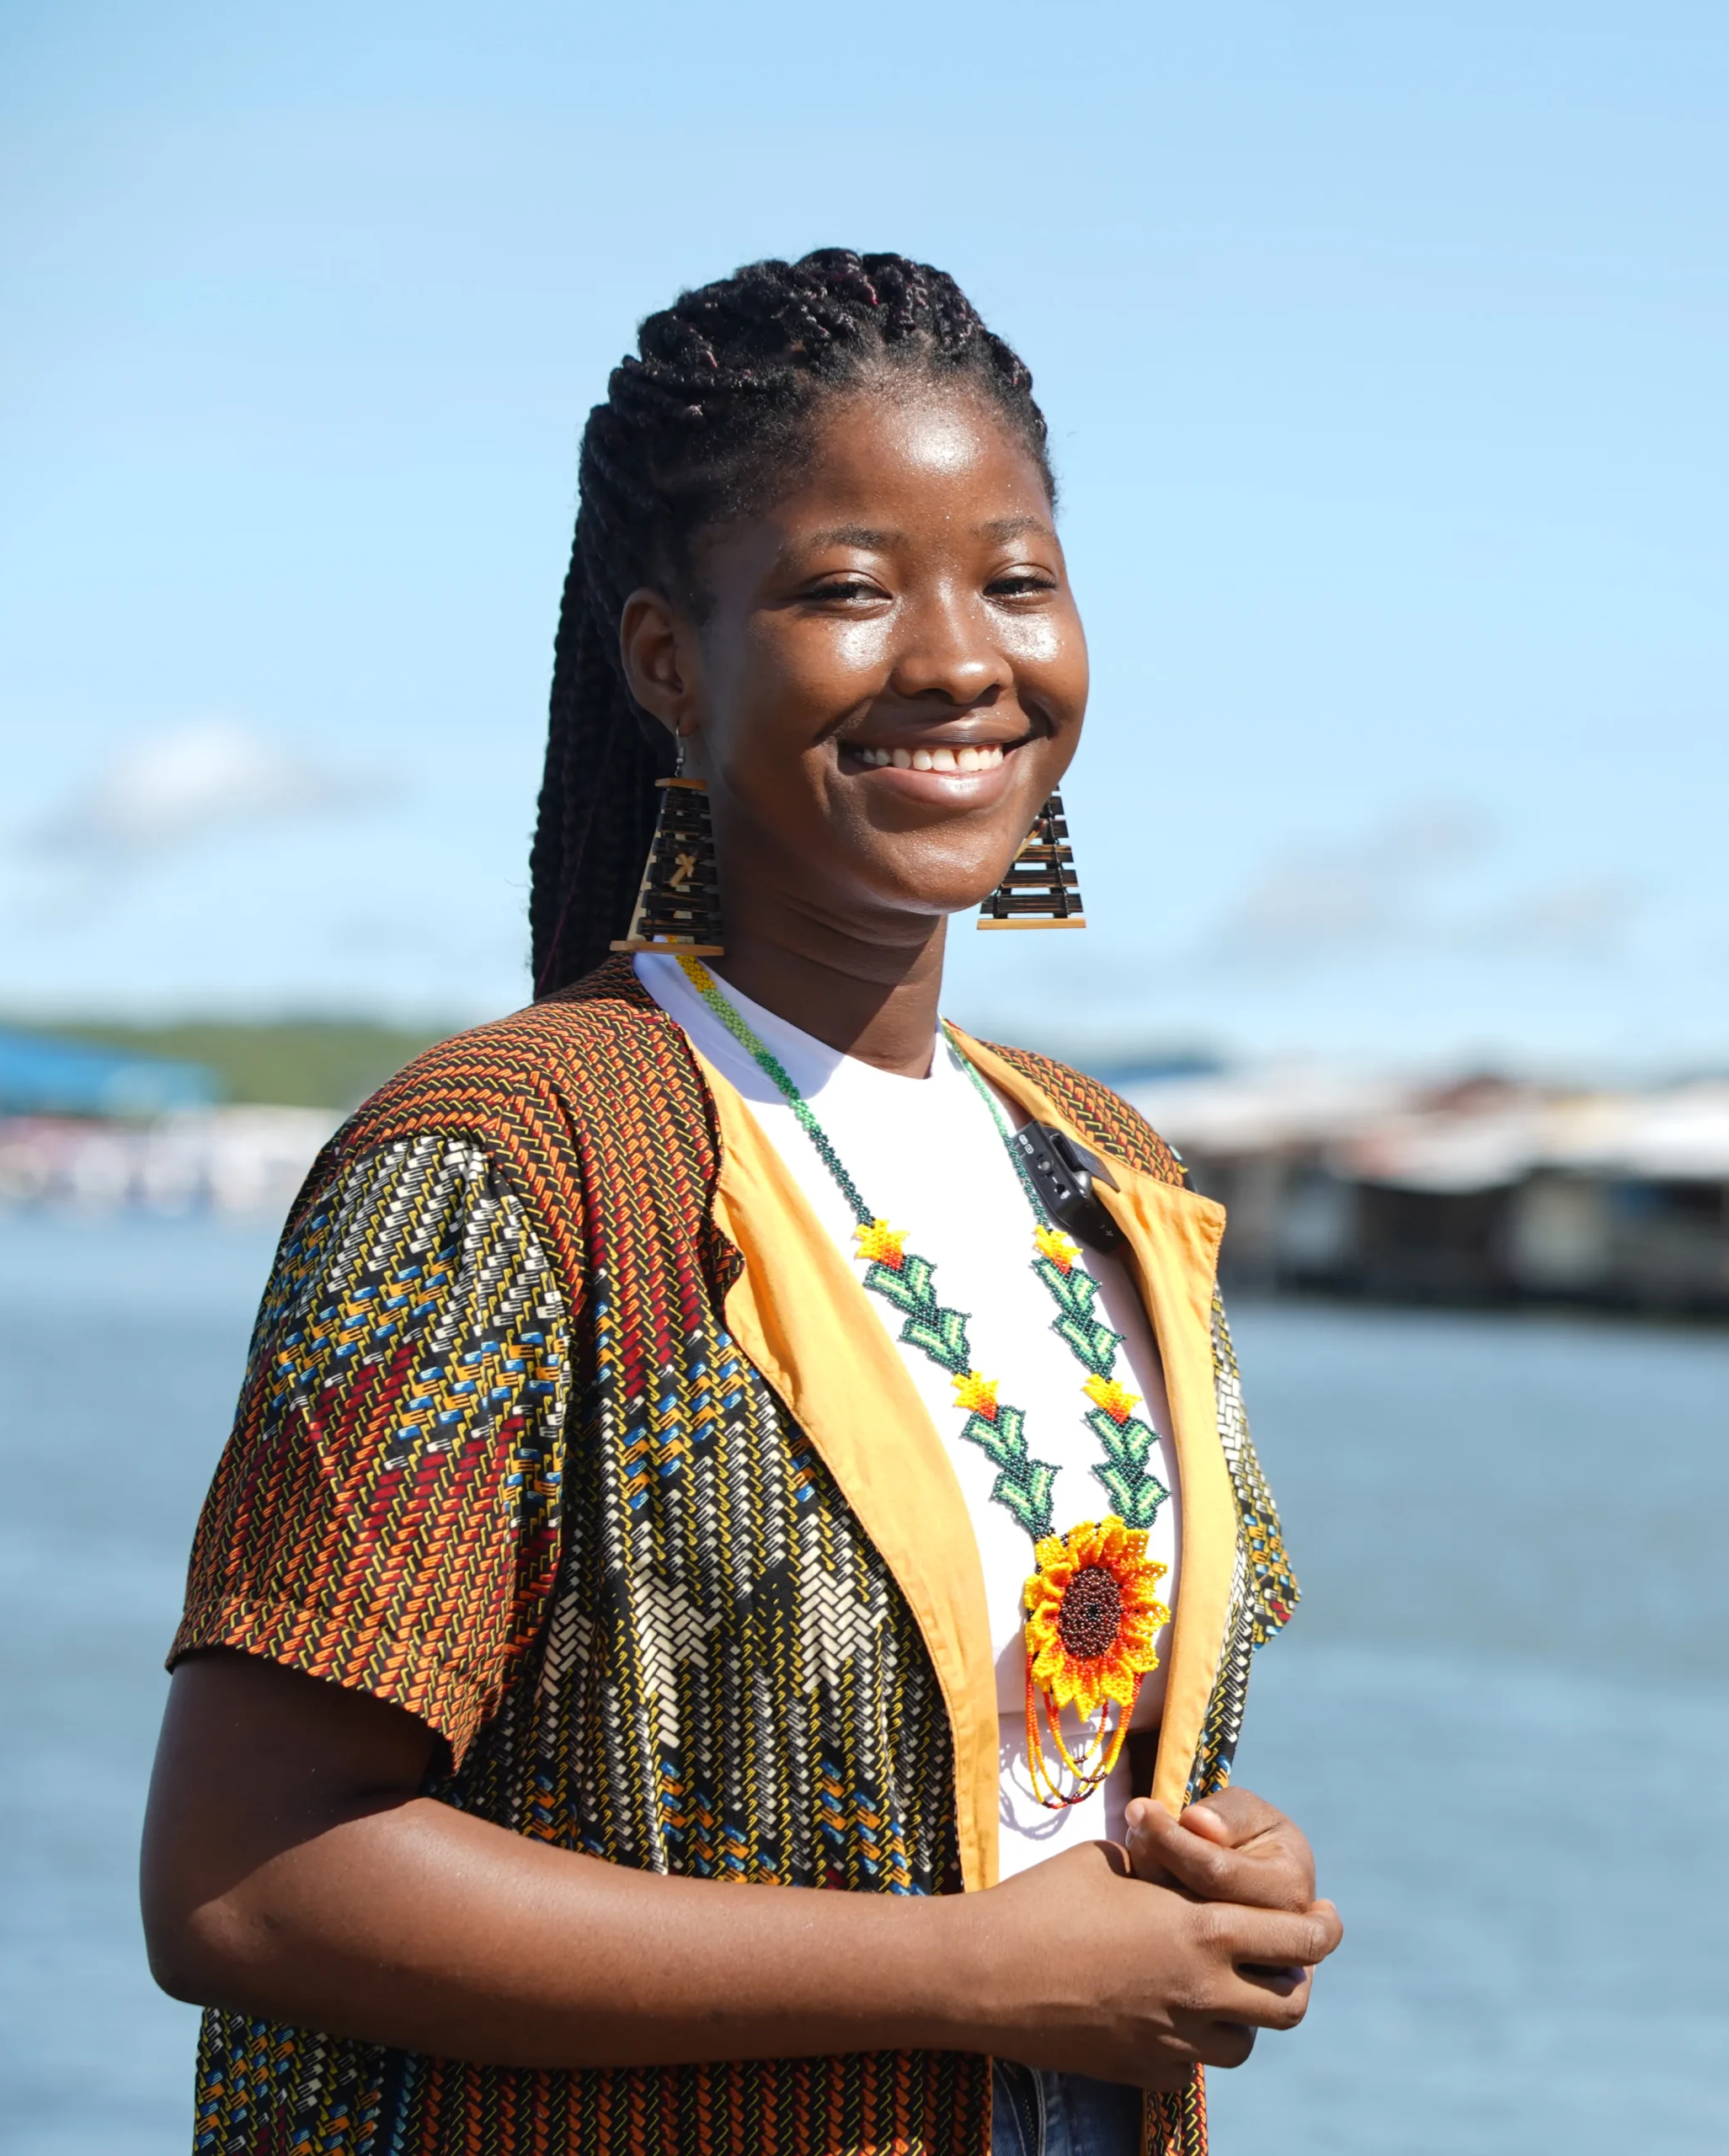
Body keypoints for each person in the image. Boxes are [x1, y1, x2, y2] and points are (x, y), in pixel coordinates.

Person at [141, 248, 1339, 2156]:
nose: (960, 655)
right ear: (667, 661)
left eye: (1015, 578)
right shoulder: (510, 1161)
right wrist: (974, 1969)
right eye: (848, 589)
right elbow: (248, 1876)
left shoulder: (1111, 1171)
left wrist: (1185, 1855)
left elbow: (1001, 1772)